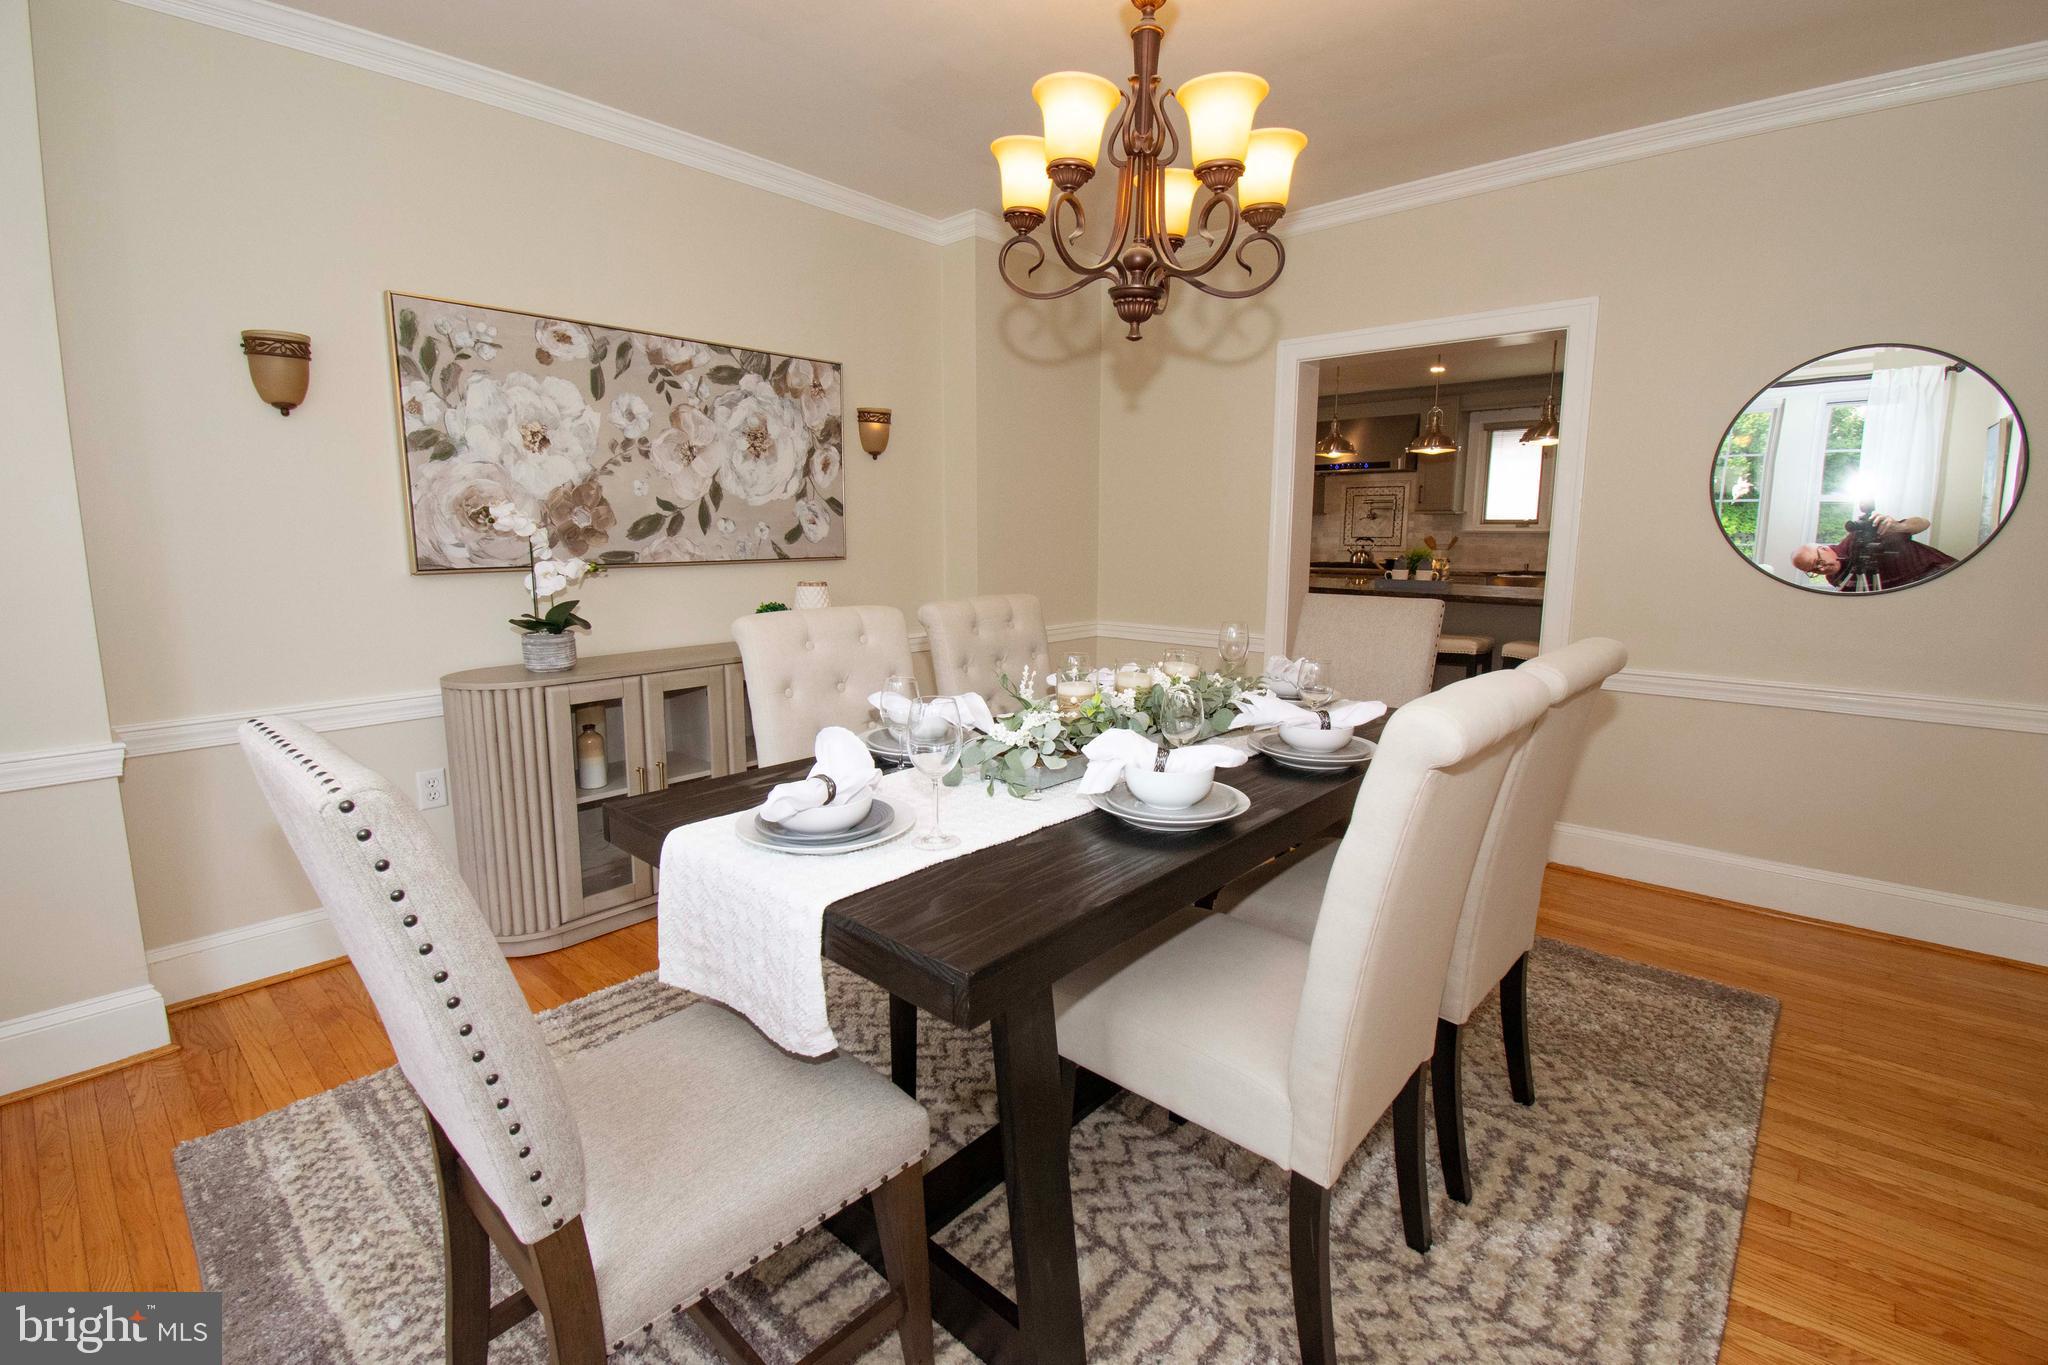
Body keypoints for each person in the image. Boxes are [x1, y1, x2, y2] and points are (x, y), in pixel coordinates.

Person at [1789, 513, 1956, 590]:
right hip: (1914, 593)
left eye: (1818, 563)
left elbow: (1924, 523)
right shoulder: (1836, 579)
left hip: (1940, 573)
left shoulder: (1860, 537)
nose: (1822, 569)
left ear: (1824, 548)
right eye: (1814, 571)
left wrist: (1898, 526)